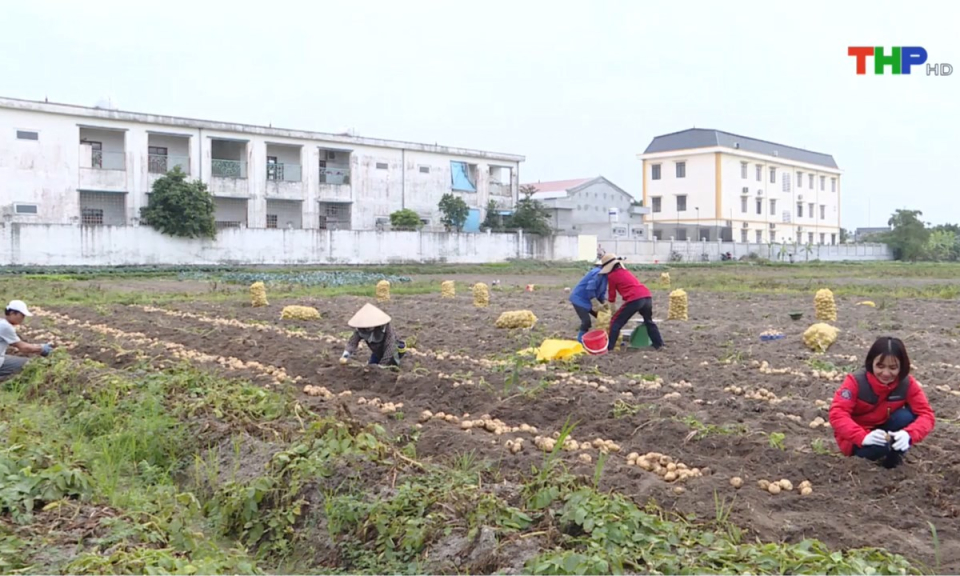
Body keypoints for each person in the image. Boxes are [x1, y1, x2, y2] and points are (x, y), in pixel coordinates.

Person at [828, 336, 935, 469]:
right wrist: (862, 437)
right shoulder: (855, 381)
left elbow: (926, 414)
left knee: (906, 416)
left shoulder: (907, 383)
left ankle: (892, 462)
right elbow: (837, 413)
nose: (886, 373)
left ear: (902, 367)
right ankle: (863, 461)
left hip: (884, 428)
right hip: (855, 436)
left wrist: (909, 434)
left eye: (893, 367)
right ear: (871, 363)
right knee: (880, 446)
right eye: (880, 366)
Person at [598, 253, 664, 351]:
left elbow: (612, 295)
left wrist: (611, 307)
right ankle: (658, 344)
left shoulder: (612, 276)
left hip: (635, 299)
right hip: (647, 296)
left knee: (615, 322)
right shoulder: (625, 271)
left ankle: (609, 348)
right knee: (648, 321)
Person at [340, 303, 407, 367]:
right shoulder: (361, 330)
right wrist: (345, 356)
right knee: (371, 368)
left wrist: (382, 365)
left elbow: (390, 346)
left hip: (394, 350)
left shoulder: (385, 327)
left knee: (390, 367)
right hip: (377, 351)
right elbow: (352, 343)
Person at [0, 300, 53, 381]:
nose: (23, 319)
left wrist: (37, 346)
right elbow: (23, 348)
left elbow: (16, 343)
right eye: (22, 315)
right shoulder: (5, 327)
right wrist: (41, 349)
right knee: (31, 364)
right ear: (12, 313)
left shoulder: (1, 322)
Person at [569, 260, 608, 343]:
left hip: (589, 300)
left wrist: (603, 302)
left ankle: (608, 338)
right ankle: (580, 340)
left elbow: (601, 291)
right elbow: (590, 288)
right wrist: (595, 302)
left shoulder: (605, 276)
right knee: (586, 321)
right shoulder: (598, 273)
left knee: (604, 317)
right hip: (579, 299)